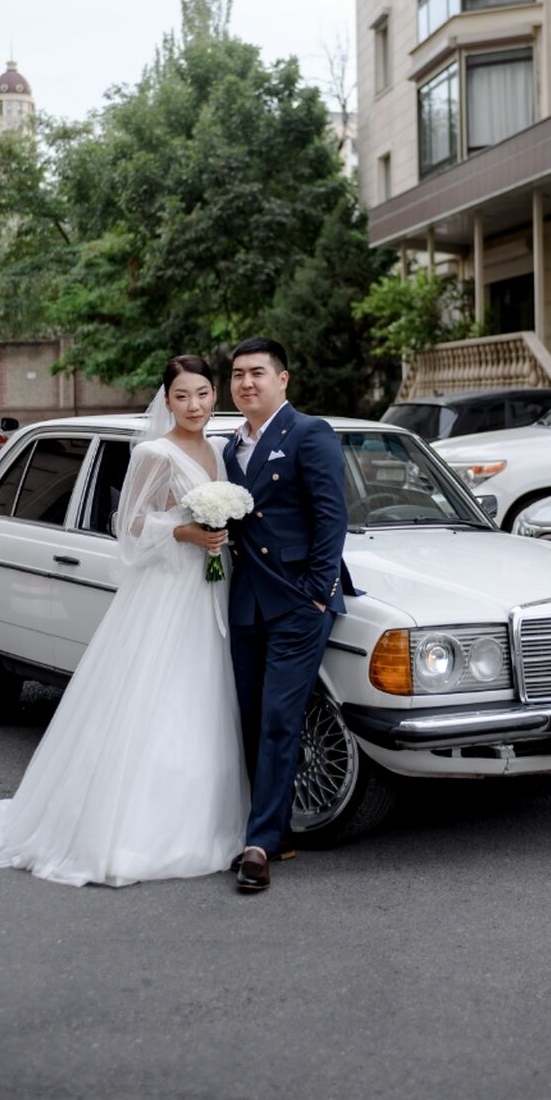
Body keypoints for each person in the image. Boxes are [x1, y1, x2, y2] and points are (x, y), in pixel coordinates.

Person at [0, 355, 249, 887]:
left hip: (208, 588)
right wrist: (187, 533)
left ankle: (207, 823)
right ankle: (132, 832)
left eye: (203, 394)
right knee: (156, 699)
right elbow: (131, 525)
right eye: (182, 396)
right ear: (165, 401)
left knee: (204, 698)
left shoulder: (217, 448)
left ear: (215, 396)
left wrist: (216, 533)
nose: (194, 405)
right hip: (166, 591)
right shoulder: (152, 451)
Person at [224, 337, 349, 893]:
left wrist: (318, 595)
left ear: (283, 380)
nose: (246, 383)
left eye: (257, 373)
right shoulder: (231, 449)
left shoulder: (308, 433)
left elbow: (331, 518)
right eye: (238, 375)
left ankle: (261, 845)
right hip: (248, 600)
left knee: (279, 719)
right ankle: (276, 829)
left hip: (298, 603)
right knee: (250, 717)